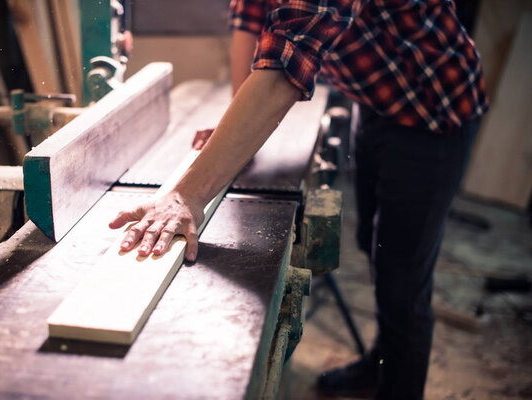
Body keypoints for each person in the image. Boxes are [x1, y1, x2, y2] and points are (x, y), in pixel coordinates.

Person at [109, 1, 488, 398]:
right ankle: (383, 363)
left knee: (403, 279)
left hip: (435, 109)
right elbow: (251, 18)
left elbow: (285, 68)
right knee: (376, 248)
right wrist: (235, 132)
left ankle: (398, 386)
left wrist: (188, 193)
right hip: (379, 100)